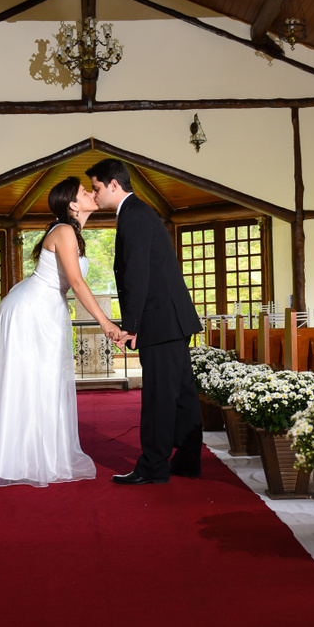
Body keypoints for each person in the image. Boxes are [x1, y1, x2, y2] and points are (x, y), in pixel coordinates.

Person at [0, 177, 121, 487]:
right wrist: (106, 322)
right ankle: (20, 458)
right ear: (72, 204)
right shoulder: (64, 231)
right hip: (30, 310)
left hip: (46, 310)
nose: (91, 193)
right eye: (83, 191)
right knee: (30, 382)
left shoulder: (72, 232)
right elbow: (77, 284)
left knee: (45, 382)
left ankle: (39, 454)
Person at [86, 158, 204, 485]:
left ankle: (153, 467)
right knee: (180, 394)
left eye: (96, 188)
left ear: (113, 184)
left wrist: (132, 326)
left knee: (158, 397)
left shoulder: (133, 215)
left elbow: (137, 274)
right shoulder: (139, 212)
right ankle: (188, 460)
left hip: (160, 321)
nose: (95, 196)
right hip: (172, 319)